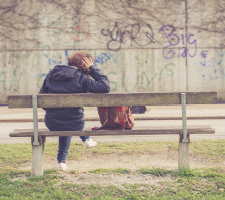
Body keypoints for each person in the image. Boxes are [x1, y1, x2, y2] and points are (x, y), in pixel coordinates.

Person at [39, 51, 110, 170]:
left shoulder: (51, 74)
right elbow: (105, 87)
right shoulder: (81, 78)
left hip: (52, 123)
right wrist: (93, 69)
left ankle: (61, 162)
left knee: (65, 121)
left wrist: (54, 111)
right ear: (85, 65)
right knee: (70, 119)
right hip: (75, 123)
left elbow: (41, 100)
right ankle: (86, 139)